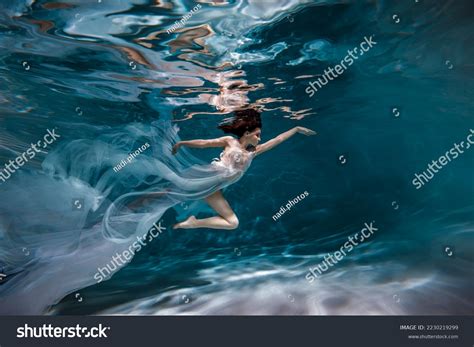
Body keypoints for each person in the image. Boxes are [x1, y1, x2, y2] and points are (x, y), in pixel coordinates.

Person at [171, 108, 316, 230]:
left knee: (232, 223)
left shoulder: (253, 152)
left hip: (214, 188)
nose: (259, 139)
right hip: (206, 178)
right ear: (247, 133)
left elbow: (277, 140)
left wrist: (296, 129)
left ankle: (194, 223)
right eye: (257, 135)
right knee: (169, 192)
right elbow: (205, 143)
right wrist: (182, 143)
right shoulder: (230, 141)